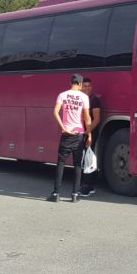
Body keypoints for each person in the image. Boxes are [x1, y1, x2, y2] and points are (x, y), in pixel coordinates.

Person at [48, 74, 92, 203]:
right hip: (79, 134)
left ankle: (56, 194)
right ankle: (74, 194)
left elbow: (55, 112)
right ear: (79, 84)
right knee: (78, 165)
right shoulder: (84, 97)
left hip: (66, 134)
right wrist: (89, 134)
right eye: (82, 85)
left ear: (71, 83)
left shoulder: (63, 95)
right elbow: (87, 117)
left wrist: (63, 127)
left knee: (61, 163)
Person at [79, 77, 101, 197]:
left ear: (92, 87)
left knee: (87, 160)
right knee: (87, 159)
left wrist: (87, 132)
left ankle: (86, 186)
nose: (87, 88)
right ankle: (89, 186)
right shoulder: (82, 99)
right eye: (85, 86)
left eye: (89, 86)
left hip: (90, 133)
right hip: (85, 132)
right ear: (81, 87)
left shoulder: (94, 100)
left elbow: (97, 119)